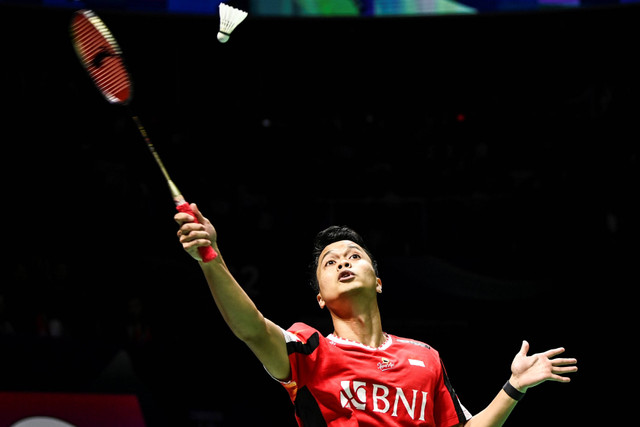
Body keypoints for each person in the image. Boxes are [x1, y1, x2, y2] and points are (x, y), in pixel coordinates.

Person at [175, 203, 578, 427]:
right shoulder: (309, 350)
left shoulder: (426, 358)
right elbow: (251, 329)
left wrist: (513, 387)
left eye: (354, 256)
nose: (343, 263)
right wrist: (211, 259)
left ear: (379, 281)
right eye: (329, 263)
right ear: (319, 298)